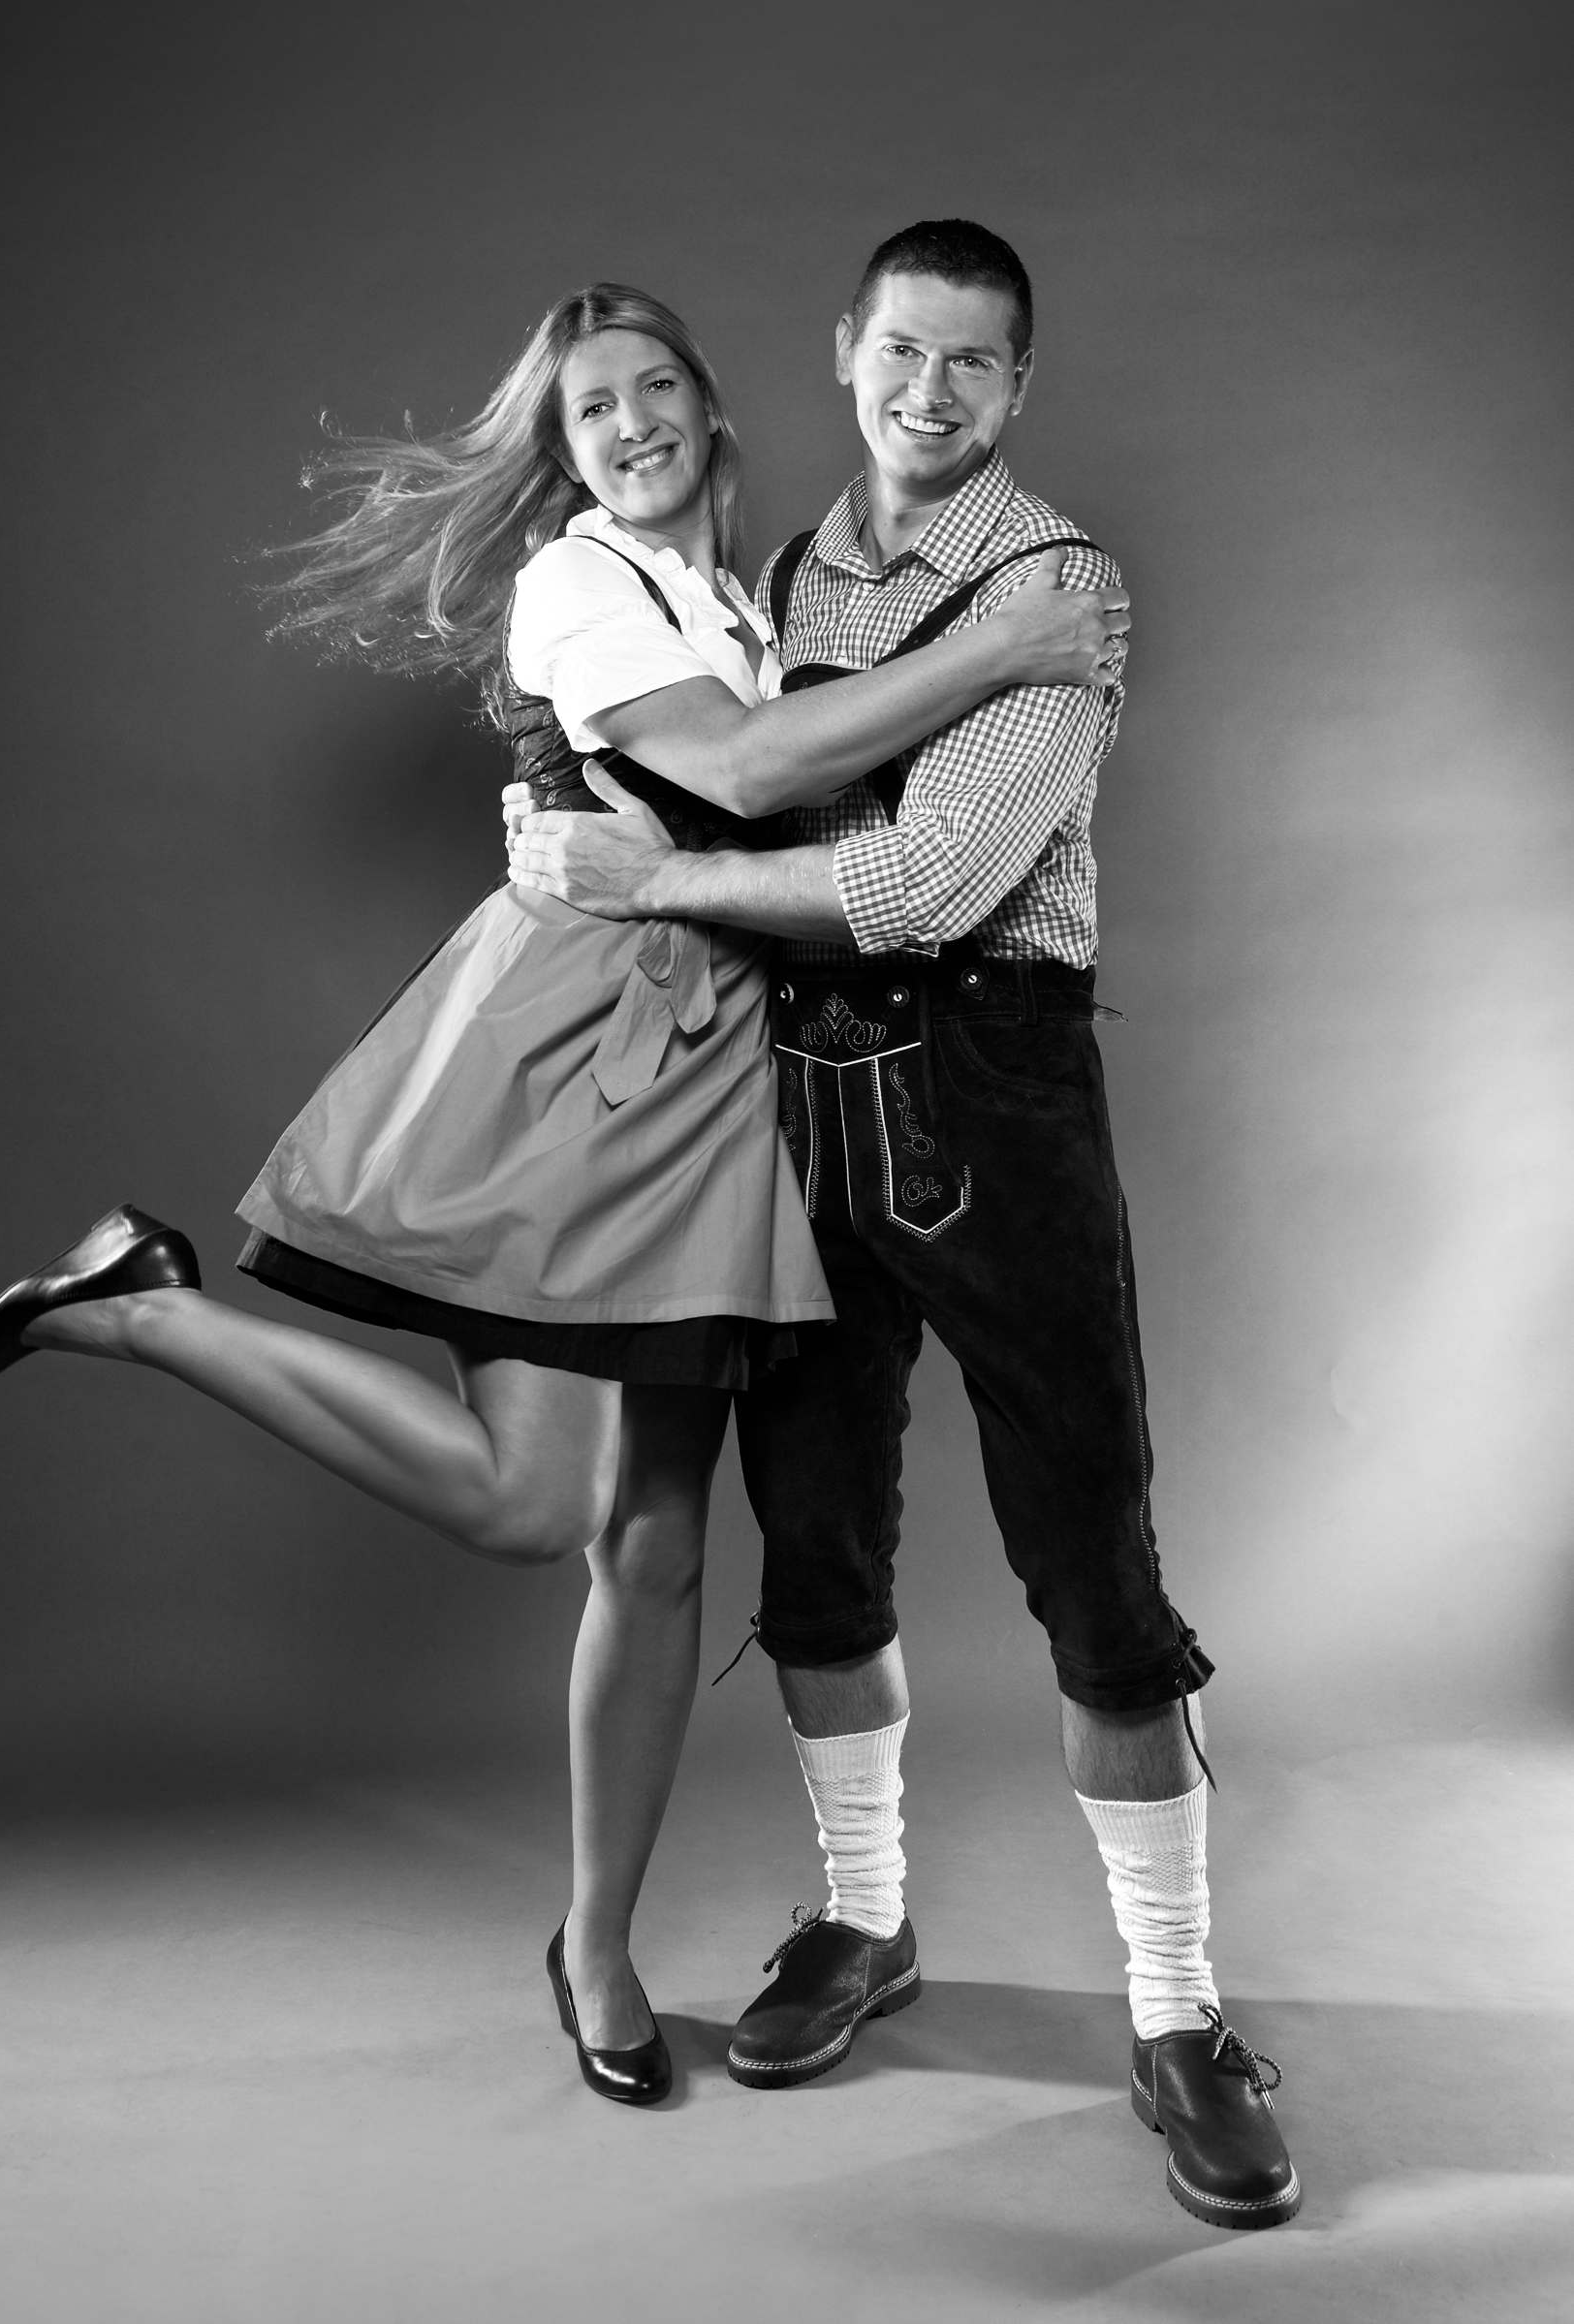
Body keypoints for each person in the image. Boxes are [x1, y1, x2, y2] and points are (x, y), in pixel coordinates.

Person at [0, 282, 1127, 2110]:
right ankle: (150, 1308)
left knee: (657, 1543)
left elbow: (817, 816)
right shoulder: (579, 585)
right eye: (595, 407)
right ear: (563, 451)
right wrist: (1006, 645)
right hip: (587, 1045)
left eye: (660, 387)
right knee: (540, 1501)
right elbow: (749, 769)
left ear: (715, 412)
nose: (635, 422)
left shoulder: (749, 595)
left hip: (717, 1069)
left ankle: (597, 1944)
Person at [508, 225, 1301, 2224]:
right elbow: (726, 782)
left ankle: (1179, 2012)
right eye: (901, 352)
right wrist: (570, 823)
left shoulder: (1058, 587)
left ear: (1017, 385)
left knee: (1093, 1564)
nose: (928, 393)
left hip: (990, 1094)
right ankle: (864, 1917)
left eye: (972, 364)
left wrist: (651, 878)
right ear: (845, 352)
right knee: (820, 1548)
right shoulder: (784, 577)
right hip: (792, 1098)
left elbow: (927, 880)